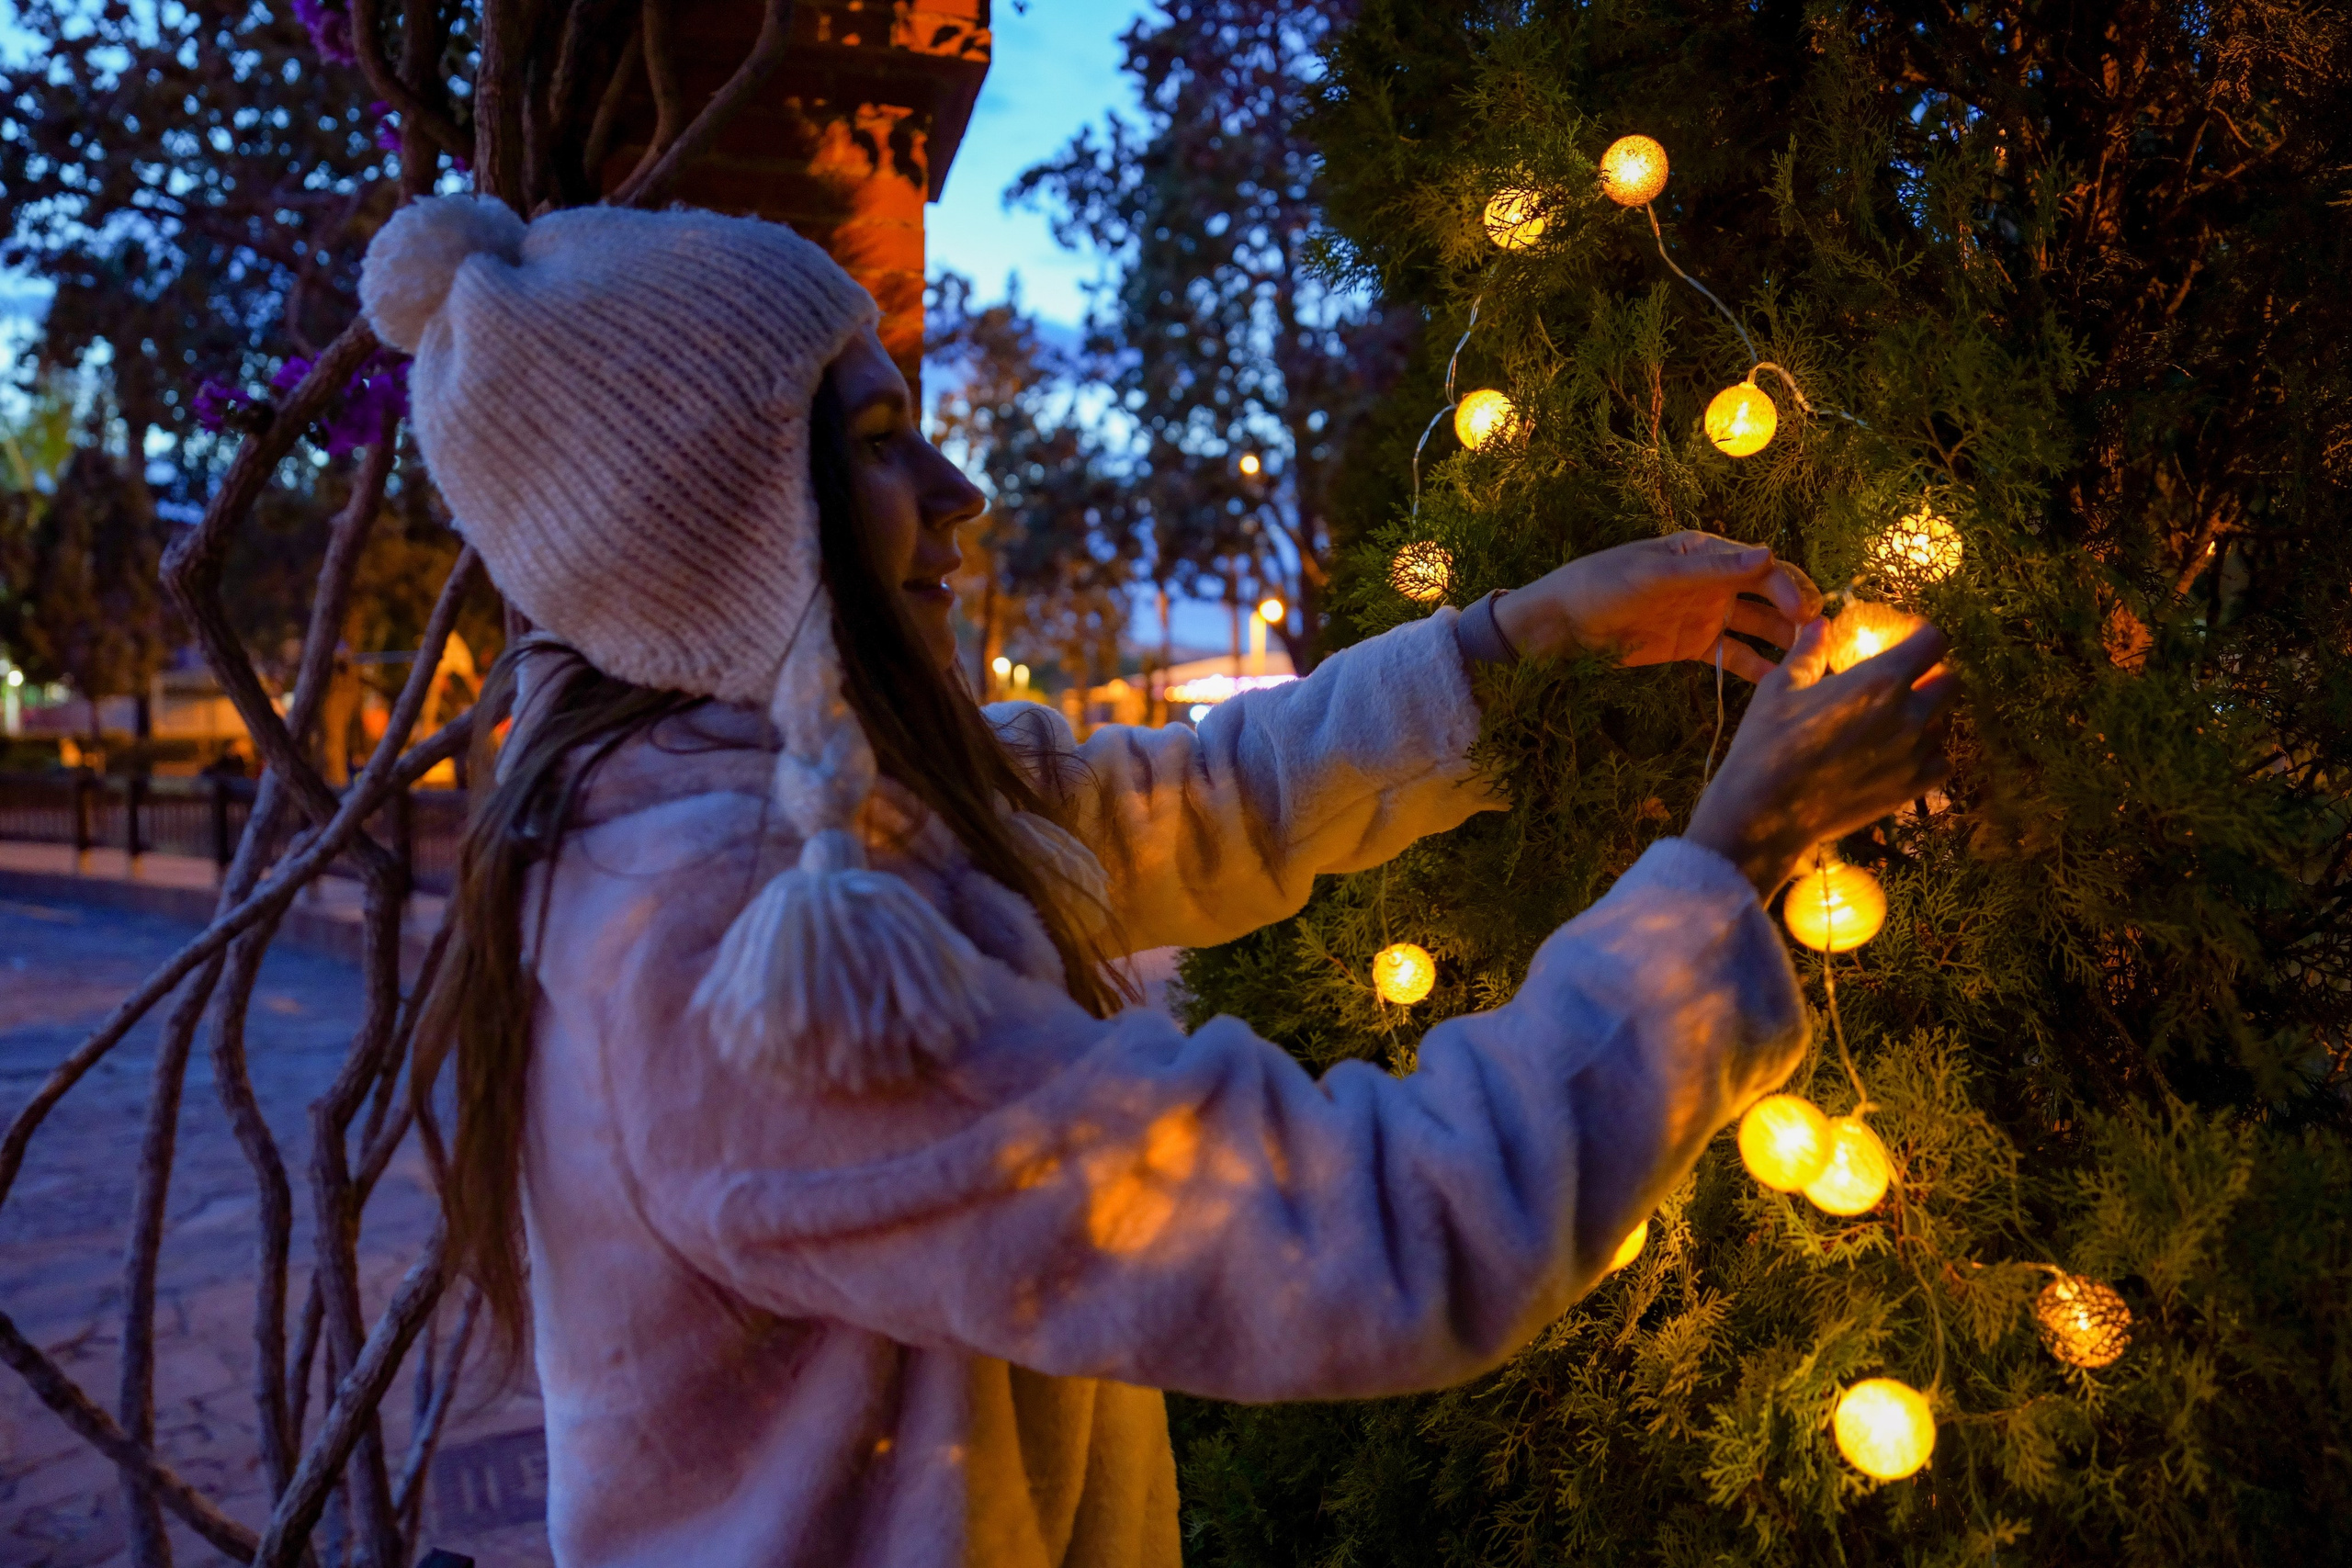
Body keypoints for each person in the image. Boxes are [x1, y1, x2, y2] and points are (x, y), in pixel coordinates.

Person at [369, 197, 1955, 1568]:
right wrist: (1731, 865)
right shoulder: (736, 948)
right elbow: (1357, 1232)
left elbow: (1199, 798)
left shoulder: (828, 794)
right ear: (714, 535)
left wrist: (1524, 634)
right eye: (871, 444)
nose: (955, 492)